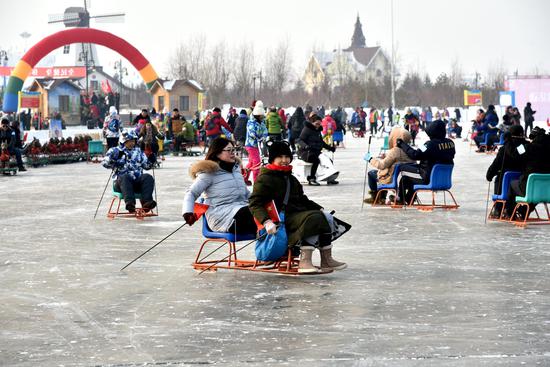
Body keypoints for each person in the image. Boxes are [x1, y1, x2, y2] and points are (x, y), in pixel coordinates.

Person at [249, 141, 348, 273]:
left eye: (287, 157)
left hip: (296, 214)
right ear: (273, 159)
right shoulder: (265, 178)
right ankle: (305, 261)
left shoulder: (291, 178)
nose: (284, 160)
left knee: (324, 216)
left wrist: (320, 208)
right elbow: (255, 203)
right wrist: (266, 221)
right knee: (314, 218)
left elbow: (302, 199)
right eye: (280, 157)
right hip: (281, 219)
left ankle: (326, 259)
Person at [182, 137, 257, 234]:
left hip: (242, 211)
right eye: (229, 150)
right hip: (221, 217)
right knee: (253, 213)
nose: (233, 153)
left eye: (233, 150)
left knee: (268, 210)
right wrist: (187, 212)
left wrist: (260, 200)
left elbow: (246, 194)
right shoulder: (209, 173)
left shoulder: (236, 170)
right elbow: (191, 192)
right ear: (217, 153)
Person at [396, 120, 456, 204]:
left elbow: (415, 155)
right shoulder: (451, 143)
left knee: (402, 168)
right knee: (407, 178)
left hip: (427, 177)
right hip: (443, 179)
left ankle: (400, 198)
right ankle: (409, 197)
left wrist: (402, 144)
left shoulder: (430, 144)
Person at [102, 130, 156, 213]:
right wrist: (114, 161)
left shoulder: (139, 152)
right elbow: (104, 163)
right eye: (129, 141)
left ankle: (147, 202)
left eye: (133, 141)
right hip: (121, 183)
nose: (132, 143)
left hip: (136, 182)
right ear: (123, 141)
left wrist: (152, 159)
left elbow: (146, 166)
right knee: (125, 177)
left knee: (148, 177)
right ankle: (130, 204)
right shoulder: (115, 151)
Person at [505, 127, 550, 218]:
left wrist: (508, 141)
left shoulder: (528, 147)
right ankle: (523, 211)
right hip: (546, 191)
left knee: (512, 184)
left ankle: (510, 213)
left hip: (528, 187)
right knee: (536, 192)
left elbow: (513, 153)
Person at [363, 127, 414, 203]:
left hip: (392, 178)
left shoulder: (395, 151)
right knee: (383, 173)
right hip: (406, 178)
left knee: (372, 173)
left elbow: (382, 165)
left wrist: (370, 159)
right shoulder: (410, 150)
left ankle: (377, 197)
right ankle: (382, 197)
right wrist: (386, 157)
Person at [486, 125, 528, 216]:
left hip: (505, 183)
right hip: (522, 183)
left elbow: (496, 165)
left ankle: (498, 209)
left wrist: (489, 175)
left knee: (500, 177)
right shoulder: (527, 147)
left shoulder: (505, 148)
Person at [297, 113, 337, 186]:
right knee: (316, 160)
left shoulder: (317, 130)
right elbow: (300, 140)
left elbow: (321, 142)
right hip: (306, 152)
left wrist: (330, 148)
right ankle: (311, 178)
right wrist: (305, 146)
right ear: (312, 123)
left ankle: (330, 178)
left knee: (328, 159)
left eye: (319, 124)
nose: (318, 125)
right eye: (316, 124)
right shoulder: (307, 129)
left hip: (315, 151)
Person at [244, 101, 268, 183]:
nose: (262, 117)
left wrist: (264, 136)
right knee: (257, 162)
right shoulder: (251, 122)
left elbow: (265, 130)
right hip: (250, 145)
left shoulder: (262, 122)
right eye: (261, 116)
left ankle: (243, 178)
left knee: (251, 163)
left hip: (256, 145)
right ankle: (256, 181)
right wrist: (258, 137)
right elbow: (251, 133)